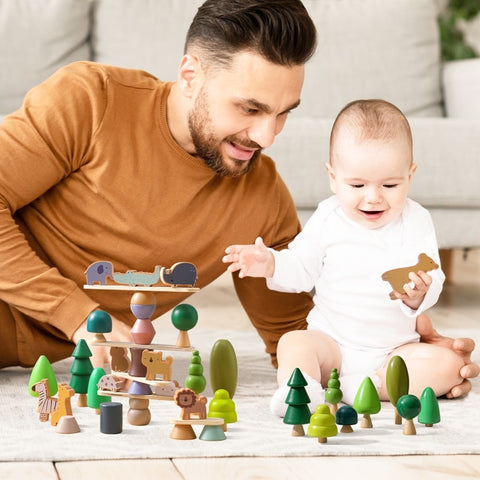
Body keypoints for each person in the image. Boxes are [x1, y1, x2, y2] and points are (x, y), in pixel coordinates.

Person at [0, 2, 476, 399]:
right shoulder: (91, 101)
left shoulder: (261, 195)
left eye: (283, 113)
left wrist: (407, 353)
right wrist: (78, 316)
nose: (266, 136)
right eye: (250, 108)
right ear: (190, 75)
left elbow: (297, 330)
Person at [223, 99, 478, 415]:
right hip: (333, 345)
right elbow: (302, 266)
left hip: (394, 351)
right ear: (332, 177)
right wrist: (271, 263)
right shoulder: (328, 217)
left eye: (390, 184)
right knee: (294, 344)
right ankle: (302, 389)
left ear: (410, 176)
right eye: (357, 184)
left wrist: (420, 294)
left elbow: (432, 272)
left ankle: (360, 388)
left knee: (450, 364)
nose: (373, 197)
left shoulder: (416, 219)